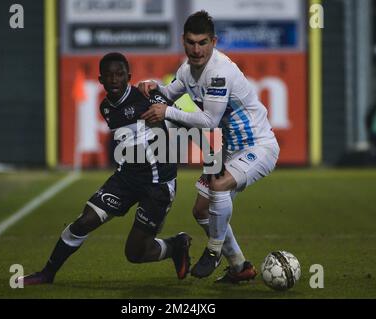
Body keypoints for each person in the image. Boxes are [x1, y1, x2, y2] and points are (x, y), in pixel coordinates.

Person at [22, 52, 192, 285]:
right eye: (109, 76)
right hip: (126, 179)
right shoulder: (106, 108)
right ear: (100, 80)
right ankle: (47, 273)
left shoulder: (147, 96)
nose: (114, 80)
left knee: (135, 253)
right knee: (84, 221)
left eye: (120, 75)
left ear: (128, 77)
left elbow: (183, 117)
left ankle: (175, 245)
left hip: (158, 184)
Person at [139, 11, 280, 283]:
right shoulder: (187, 69)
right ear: (183, 41)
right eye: (191, 42)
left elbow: (209, 120)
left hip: (258, 146)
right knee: (201, 211)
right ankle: (240, 267)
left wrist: (167, 112)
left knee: (219, 186)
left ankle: (214, 251)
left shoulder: (219, 73)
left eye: (202, 42)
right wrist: (151, 85)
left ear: (213, 41)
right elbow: (168, 93)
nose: (196, 49)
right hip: (227, 150)